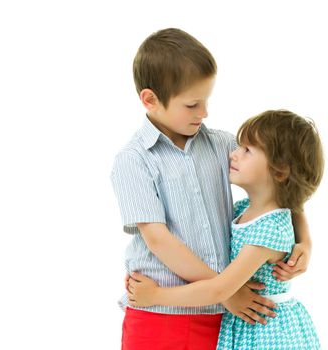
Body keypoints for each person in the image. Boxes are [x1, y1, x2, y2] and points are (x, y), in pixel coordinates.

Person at [111, 28, 313, 349]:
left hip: (224, 319)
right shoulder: (134, 160)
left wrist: (304, 239)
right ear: (150, 100)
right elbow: (159, 240)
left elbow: (277, 183)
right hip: (160, 311)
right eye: (192, 104)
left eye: (206, 101)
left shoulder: (223, 145)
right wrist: (227, 290)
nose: (204, 113)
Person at [127, 110, 324, 349]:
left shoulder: (268, 231)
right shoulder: (244, 210)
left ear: (280, 171)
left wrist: (156, 296)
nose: (233, 154)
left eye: (247, 151)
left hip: (265, 330)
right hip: (246, 326)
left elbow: (218, 290)